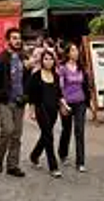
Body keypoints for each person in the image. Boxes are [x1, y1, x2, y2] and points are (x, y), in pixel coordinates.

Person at [0, 28, 27, 177]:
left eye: (19, 38)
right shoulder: (0, 60)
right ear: (8, 41)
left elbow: (28, 79)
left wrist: (27, 97)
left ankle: (13, 165)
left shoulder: (24, 57)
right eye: (14, 38)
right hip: (4, 101)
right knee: (8, 130)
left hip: (19, 101)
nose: (17, 41)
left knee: (17, 134)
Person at [27, 50, 67, 178]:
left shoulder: (56, 76)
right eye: (46, 59)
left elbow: (59, 94)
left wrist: (63, 105)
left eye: (50, 59)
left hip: (53, 110)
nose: (48, 61)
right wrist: (32, 111)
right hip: (41, 109)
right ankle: (53, 167)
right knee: (49, 136)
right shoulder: (36, 76)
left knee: (45, 135)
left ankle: (34, 155)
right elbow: (31, 96)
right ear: (41, 61)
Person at [58, 42, 92, 173]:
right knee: (66, 130)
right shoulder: (62, 68)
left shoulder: (81, 67)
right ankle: (62, 153)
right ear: (67, 53)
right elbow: (60, 87)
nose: (75, 53)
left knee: (80, 130)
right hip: (66, 102)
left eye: (76, 50)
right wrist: (61, 103)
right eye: (73, 50)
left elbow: (86, 85)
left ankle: (81, 162)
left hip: (80, 102)